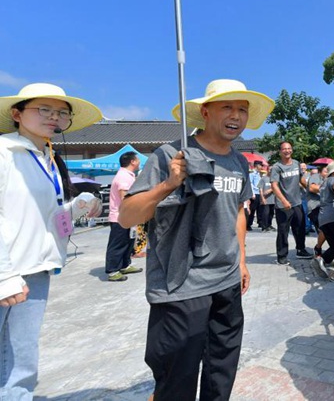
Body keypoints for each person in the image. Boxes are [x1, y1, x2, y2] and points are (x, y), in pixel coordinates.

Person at [119, 78, 273, 400]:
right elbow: (127, 216)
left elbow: (238, 213)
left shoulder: (239, 162)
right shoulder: (171, 155)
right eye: (227, 107)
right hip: (181, 286)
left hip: (227, 282)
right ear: (205, 111)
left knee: (221, 372)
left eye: (242, 110)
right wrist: (169, 184)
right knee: (177, 380)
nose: (236, 116)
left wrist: (242, 260)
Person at [0, 83, 102, 400]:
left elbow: (47, 218)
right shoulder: (4, 153)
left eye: (61, 113)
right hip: (8, 272)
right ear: (17, 114)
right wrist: (4, 274)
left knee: (21, 360)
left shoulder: (48, 158)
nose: (53, 117)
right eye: (44, 109)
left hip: (35, 269)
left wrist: (75, 209)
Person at [104, 151, 144, 282]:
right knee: (118, 243)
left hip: (128, 216)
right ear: (132, 161)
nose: (139, 162)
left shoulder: (128, 175)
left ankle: (125, 265)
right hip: (120, 217)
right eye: (137, 159)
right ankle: (112, 270)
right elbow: (124, 197)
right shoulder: (124, 176)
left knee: (128, 242)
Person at [271, 141, 312, 263]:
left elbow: (301, 180)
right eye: (284, 149)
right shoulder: (277, 167)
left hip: (297, 202)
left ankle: (301, 250)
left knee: (300, 228)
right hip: (283, 206)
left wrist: (310, 189)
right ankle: (282, 256)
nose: (287, 151)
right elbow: (274, 185)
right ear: (280, 152)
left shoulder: (296, 164)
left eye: (289, 148)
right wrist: (283, 201)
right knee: (283, 231)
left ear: (292, 150)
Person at [245, 161, 263, 231]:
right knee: (252, 210)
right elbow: (250, 183)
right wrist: (252, 193)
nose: (261, 167)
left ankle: (260, 222)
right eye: (260, 165)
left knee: (260, 209)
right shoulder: (252, 174)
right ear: (256, 165)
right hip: (254, 193)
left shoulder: (259, 174)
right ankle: (248, 224)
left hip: (259, 193)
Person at [257, 162, 274, 231]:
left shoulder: (275, 179)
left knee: (271, 214)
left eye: (272, 170)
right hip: (266, 199)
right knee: (265, 213)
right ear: (267, 170)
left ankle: (269, 225)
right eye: (270, 169)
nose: (271, 171)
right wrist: (262, 198)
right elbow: (260, 189)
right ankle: (264, 227)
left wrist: (271, 189)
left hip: (273, 199)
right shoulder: (264, 178)